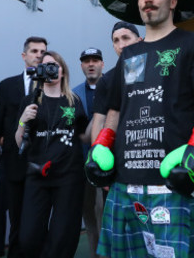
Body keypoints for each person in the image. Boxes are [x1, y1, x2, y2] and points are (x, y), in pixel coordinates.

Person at [86, 0, 194, 257]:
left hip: (174, 181)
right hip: (125, 183)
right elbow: (116, 110)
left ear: (173, 1)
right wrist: (101, 148)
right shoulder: (129, 54)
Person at [0, 36, 47, 258]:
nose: (38, 55)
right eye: (34, 51)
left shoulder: (52, 86)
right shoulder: (7, 85)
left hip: (37, 161)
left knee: (28, 214)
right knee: (1, 210)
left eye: (42, 51)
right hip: (8, 160)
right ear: (24, 55)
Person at [16, 51, 89, 258]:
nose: (51, 69)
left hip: (68, 176)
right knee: (28, 236)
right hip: (37, 175)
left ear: (63, 71)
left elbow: (85, 136)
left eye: (55, 65)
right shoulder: (30, 100)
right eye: (45, 65)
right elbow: (19, 142)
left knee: (63, 235)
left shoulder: (74, 101)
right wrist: (23, 120)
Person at [73, 47, 105, 258]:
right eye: (86, 61)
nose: (91, 64)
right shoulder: (74, 94)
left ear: (102, 63)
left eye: (95, 60)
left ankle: (109, 252)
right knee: (89, 216)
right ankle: (96, 254)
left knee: (103, 212)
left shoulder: (113, 87)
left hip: (108, 164)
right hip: (83, 164)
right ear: (82, 65)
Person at [89, 21, 143, 142]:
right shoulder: (106, 80)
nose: (121, 45)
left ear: (139, 40)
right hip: (121, 148)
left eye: (126, 38)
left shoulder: (155, 70)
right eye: (116, 40)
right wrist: (95, 154)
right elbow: (99, 122)